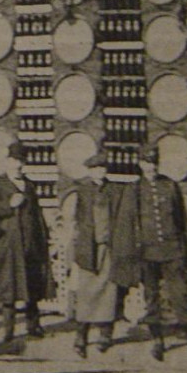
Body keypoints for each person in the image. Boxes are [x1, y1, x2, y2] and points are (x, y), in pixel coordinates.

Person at [124, 142, 187, 360]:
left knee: (181, 295)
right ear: (140, 164)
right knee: (151, 298)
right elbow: (129, 224)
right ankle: (158, 341)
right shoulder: (134, 189)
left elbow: (182, 222)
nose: (151, 168)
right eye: (146, 163)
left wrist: (186, 250)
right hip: (148, 253)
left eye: (154, 163)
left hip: (173, 251)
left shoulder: (170, 186)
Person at [0, 141, 54, 355]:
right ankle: (8, 332)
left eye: (21, 161)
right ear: (7, 162)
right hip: (8, 244)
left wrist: (42, 236)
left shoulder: (29, 185)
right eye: (14, 161)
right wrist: (9, 205)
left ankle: (34, 326)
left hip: (30, 243)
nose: (18, 166)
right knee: (9, 287)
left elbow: (36, 213)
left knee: (32, 284)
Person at [64, 153, 132, 357]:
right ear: (89, 171)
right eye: (95, 169)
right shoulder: (83, 191)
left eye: (102, 168)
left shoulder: (115, 190)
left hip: (109, 249)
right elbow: (78, 219)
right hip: (89, 249)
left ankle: (105, 334)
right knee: (86, 294)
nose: (99, 172)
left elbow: (121, 218)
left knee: (109, 294)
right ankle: (81, 337)